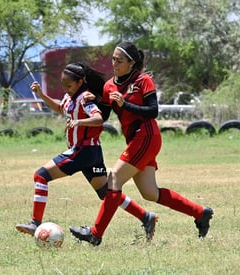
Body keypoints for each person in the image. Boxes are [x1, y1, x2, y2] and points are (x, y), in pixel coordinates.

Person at [69, 42, 213, 246]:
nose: (114, 63)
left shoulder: (143, 80)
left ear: (131, 63)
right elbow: (106, 113)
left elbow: (153, 111)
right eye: (113, 59)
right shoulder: (110, 85)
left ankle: (95, 233)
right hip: (138, 139)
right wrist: (97, 101)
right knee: (150, 192)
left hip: (146, 136)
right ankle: (200, 213)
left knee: (114, 180)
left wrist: (125, 104)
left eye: (119, 60)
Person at [15, 62, 157, 241]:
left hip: (82, 151)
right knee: (107, 193)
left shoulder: (85, 98)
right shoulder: (69, 97)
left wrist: (80, 122)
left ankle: (35, 222)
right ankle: (146, 216)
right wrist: (42, 95)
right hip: (93, 154)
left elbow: (98, 119)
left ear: (80, 82)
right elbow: (61, 108)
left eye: (69, 85)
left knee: (40, 176)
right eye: (63, 85)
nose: (66, 89)